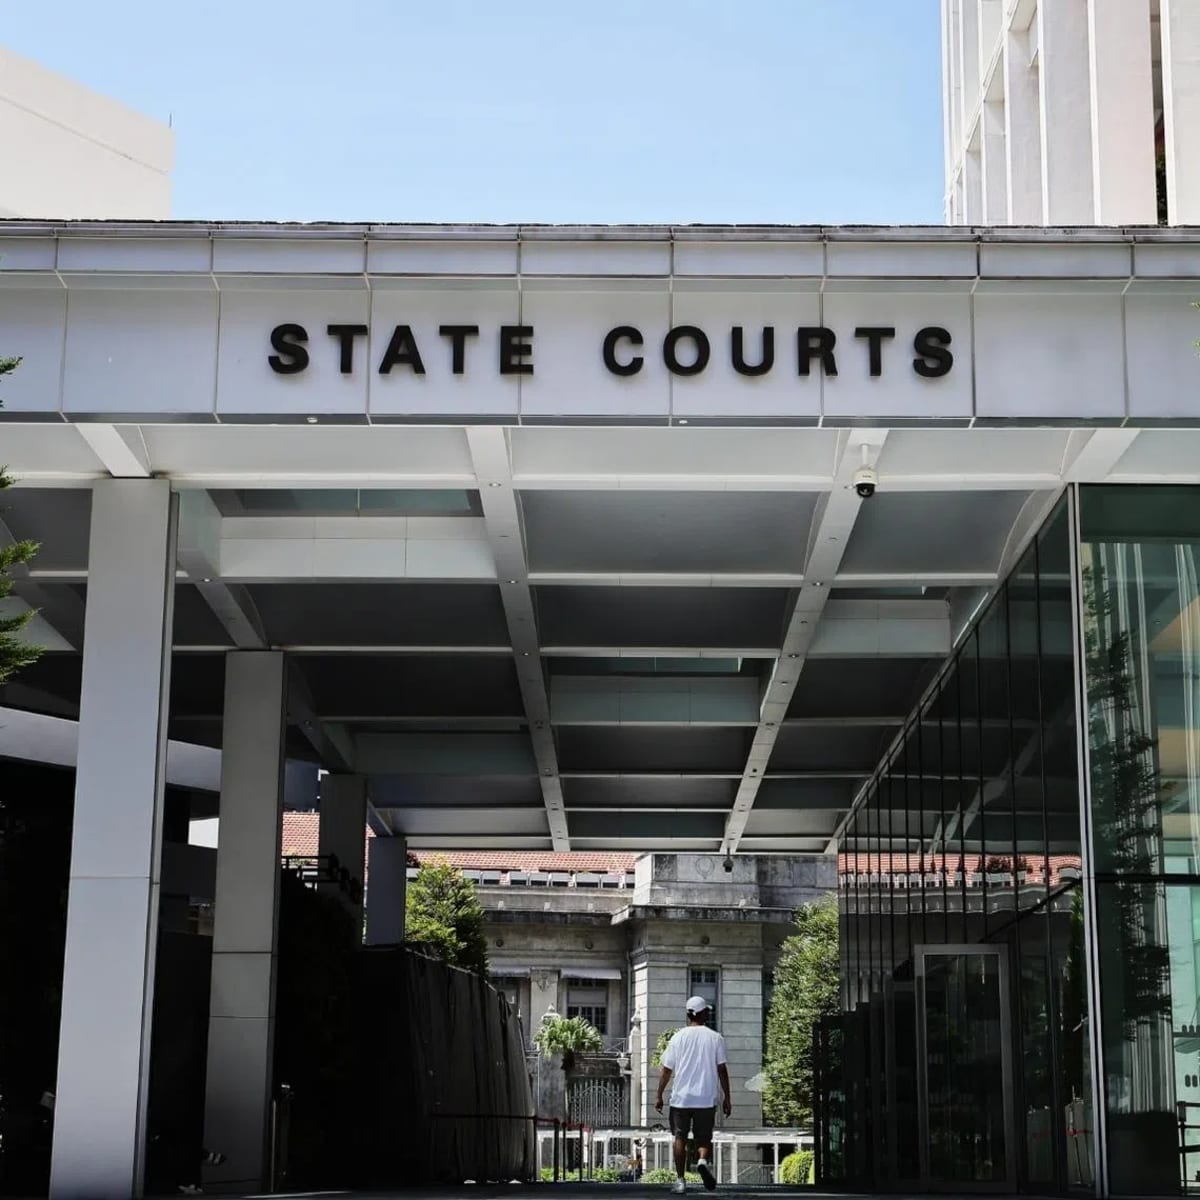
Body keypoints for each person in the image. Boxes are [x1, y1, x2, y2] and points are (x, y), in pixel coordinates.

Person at [654, 996, 731, 1194]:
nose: (708, 1014)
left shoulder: (678, 1037)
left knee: (679, 1137)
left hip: (681, 1098)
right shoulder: (715, 1038)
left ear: (689, 1015)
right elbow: (722, 1069)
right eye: (707, 1011)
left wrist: (659, 1094)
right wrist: (727, 1097)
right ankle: (703, 1161)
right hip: (705, 1098)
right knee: (704, 1138)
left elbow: (666, 1069)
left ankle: (680, 1181)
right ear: (702, 1014)